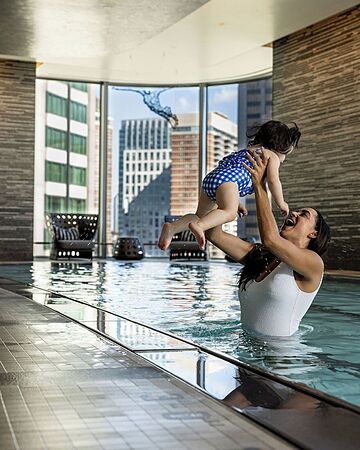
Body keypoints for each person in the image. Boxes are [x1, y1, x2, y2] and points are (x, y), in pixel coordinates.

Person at [206, 148, 331, 337]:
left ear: (313, 234)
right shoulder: (260, 257)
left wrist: (260, 185)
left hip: (282, 361)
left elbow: (271, 239)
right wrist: (227, 197)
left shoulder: (313, 264)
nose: (294, 213)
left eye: (304, 215)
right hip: (246, 356)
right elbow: (213, 234)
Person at [158, 120, 301, 251]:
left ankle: (172, 228)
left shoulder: (248, 151)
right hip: (227, 181)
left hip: (213, 178)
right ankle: (199, 226)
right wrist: (281, 202)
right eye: (286, 154)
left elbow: (234, 175)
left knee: (200, 215)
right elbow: (273, 181)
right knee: (229, 213)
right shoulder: (271, 156)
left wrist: (236, 202)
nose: (284, 159)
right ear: (280, 145)